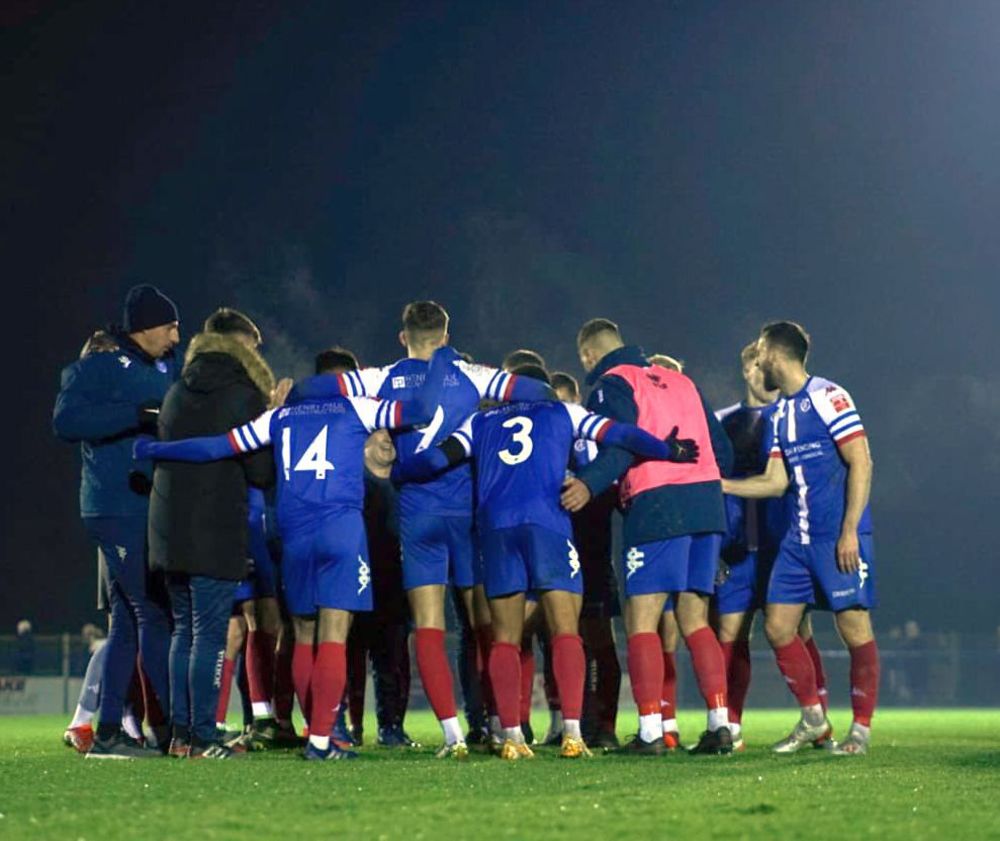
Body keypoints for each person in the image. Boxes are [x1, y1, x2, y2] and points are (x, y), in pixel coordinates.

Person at [136, 347, 449, 760]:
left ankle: (315, 729)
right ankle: (323, 740)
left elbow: (215, 448)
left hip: (296, 535)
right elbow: (423, 409)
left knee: (302, 635)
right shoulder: (359, 408)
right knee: (335, 635)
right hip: (341, 532)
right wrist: (440, 361)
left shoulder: (280, 417)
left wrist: (156, 451)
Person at [394, 363, 701, 760]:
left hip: (497, 530)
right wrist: (668, 449)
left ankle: (512, 737)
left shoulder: (479, 421)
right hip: (547, 523)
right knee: (565, 630)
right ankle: (572, 732)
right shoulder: (563, 412)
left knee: (505, 636)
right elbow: (620, 434)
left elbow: (437, 460)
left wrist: (398, 470)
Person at [299, 302, 553, 758]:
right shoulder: (472, 375)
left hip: (416, 516)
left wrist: (295, 395)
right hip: (469, 513)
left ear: (403, 337)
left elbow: (318, 387)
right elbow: (537, 389)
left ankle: (453, 736)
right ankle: (498, 724)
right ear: (446, 333)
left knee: (430, 628)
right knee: (486, 627)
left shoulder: (382, 377)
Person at [562, 318, 735, 755]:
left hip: (658, 504)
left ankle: (651, 731)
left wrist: (588, 484)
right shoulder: (682, 381)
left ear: (588, 355)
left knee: (642, 620)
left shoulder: (612, 383)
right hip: (707, 503)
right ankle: (720, 725)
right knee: (696, 619)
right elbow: (724, 452)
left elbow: (621, 444)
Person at [722, 321, 878, 755]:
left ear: (774, 352)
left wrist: (849, 529)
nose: (757, 361)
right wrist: (722, 485)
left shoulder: (829, 396)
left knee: (855, 630)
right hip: (797, 540)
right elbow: (774, 482)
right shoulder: (780, 414)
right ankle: (814, 718)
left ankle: (860, 733)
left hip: (837, 537)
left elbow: (861, 462)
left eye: (760, 352)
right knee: (777, 627)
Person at [53, 284, 179, 758]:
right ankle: (173, 729)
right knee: (151, 612)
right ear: (144, 327)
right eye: (169, 325)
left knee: (128, 620)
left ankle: (108, 729)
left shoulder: (162, 366)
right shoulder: (98, 367)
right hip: (115, 506)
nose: (175, 335)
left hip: (144, 506)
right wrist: (135, 415)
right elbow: (66, 422)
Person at [148, 307, 278, 760]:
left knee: (183, 631)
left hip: (167, 527)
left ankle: (182, 736)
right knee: (209, 633)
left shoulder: (176, 390)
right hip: (216, 527)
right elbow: (261, 472)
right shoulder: (244, 395)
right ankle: (204, 737)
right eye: (256, 348)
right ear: (242, 345)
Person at [551, 370, 622, 751]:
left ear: (577, 402)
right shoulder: (543, 444)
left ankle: (605, 725)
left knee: (600, 644)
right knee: (560, 642)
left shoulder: (595, 446)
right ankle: (566, 722)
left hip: (593, 560)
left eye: (566, 402)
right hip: (556, 558)